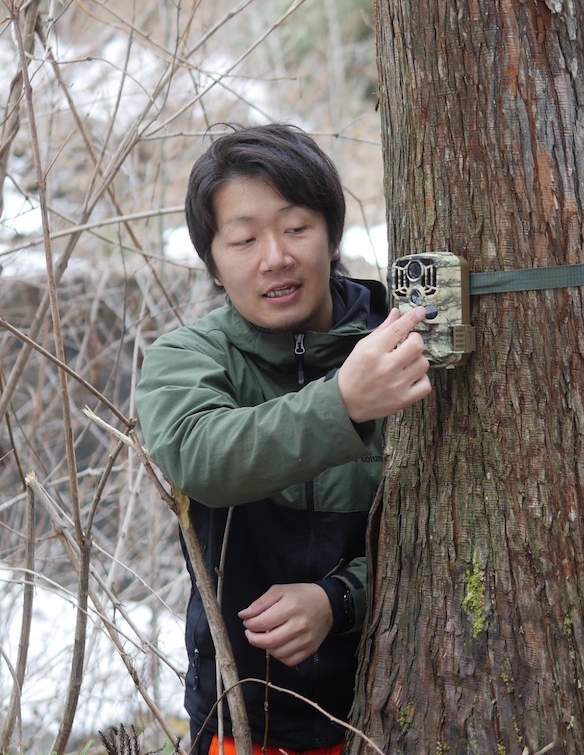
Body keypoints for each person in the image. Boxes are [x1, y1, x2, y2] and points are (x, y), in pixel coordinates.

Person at [135, 123, 432, 755]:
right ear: (213, 262)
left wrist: (338, 600)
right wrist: (343, 404)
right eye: (244, 239)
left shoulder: (399, 351)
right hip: (245, 725)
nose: (275, 256)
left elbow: (446, 534)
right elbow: (201, 455)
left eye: (296, 228)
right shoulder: (188, 358)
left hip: (396, 711)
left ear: (331, 237)